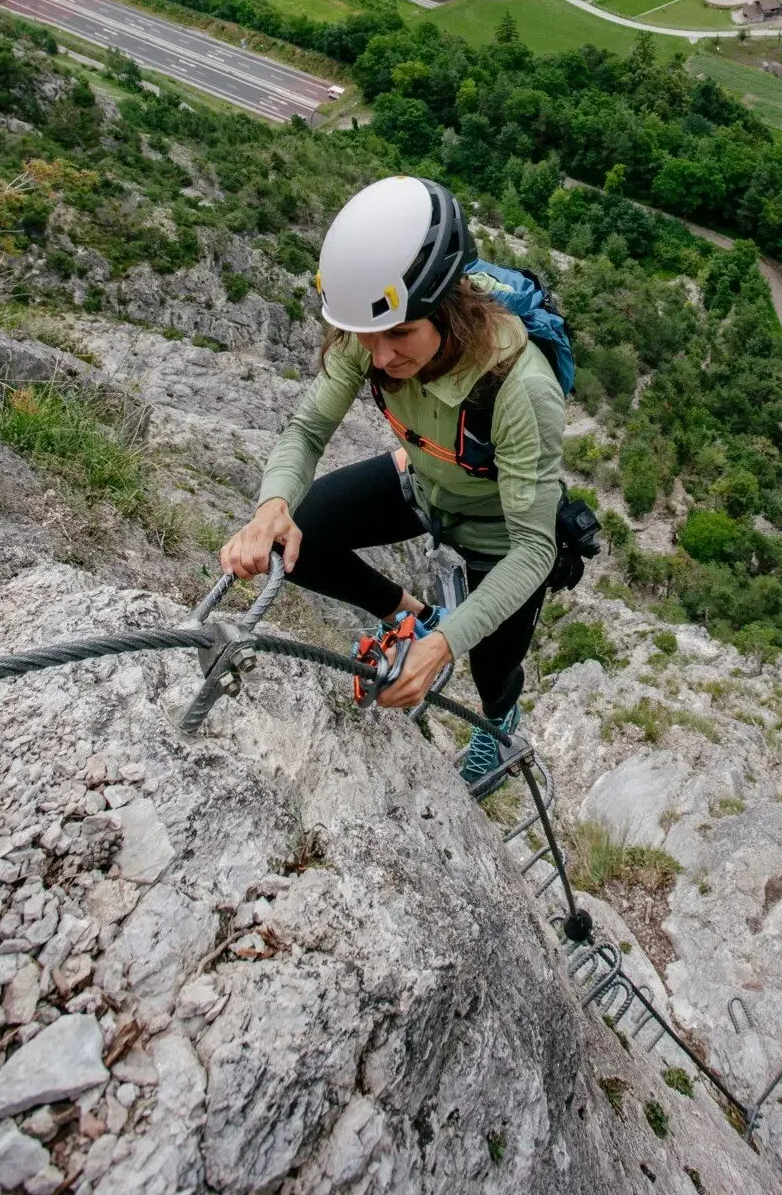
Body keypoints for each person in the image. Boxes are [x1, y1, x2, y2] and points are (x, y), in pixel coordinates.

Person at [219, 174, 565, 788]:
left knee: (491, 665)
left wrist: (445, 650)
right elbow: (305, 430)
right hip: (424, 485)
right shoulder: (376, 328)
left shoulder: (521, 386)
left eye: (401, 335)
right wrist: (272, 504)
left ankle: (499, 723)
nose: (379, 358)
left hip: (500, 531)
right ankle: (413, 616)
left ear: (448, 310)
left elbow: (535, 548)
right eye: (367, 338)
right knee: (292, 542)